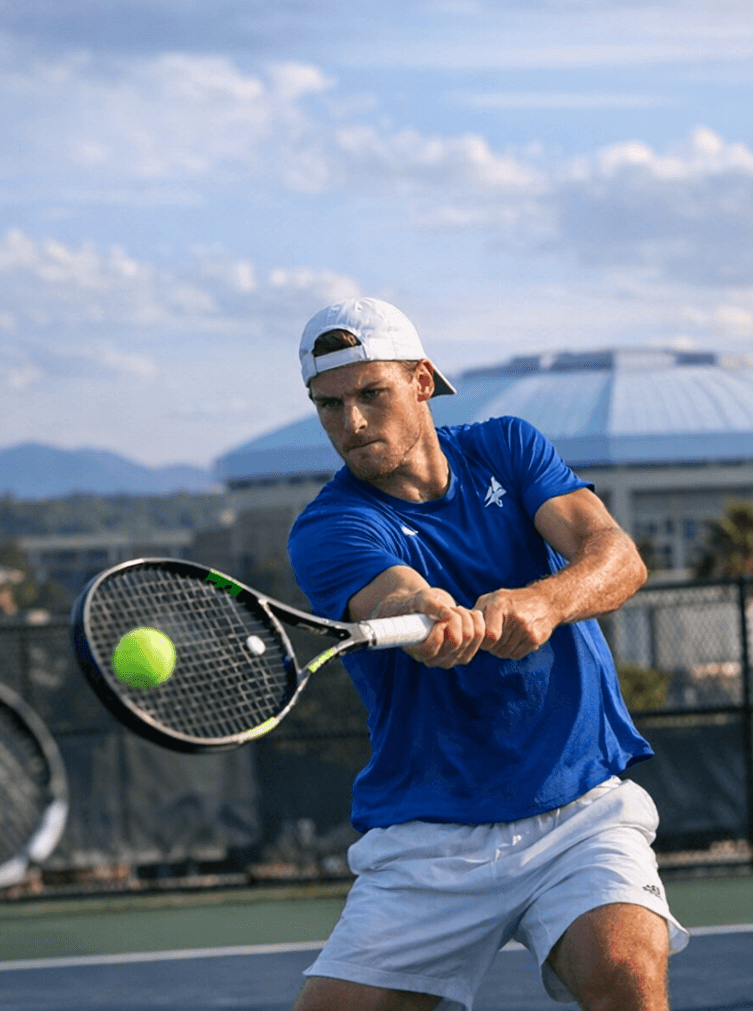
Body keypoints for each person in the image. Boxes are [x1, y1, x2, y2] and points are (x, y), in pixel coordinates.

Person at [285, 298, 689, 1011]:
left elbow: (616, 557)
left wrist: (546, 601)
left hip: (579, 811)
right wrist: (430, 614)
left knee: (625, 974)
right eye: (330, 405)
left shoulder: (507, 446)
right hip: (428, 836)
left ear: (422, 381)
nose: (352, 422)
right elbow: (393, 595)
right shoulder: (329, 526)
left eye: (371, 394)